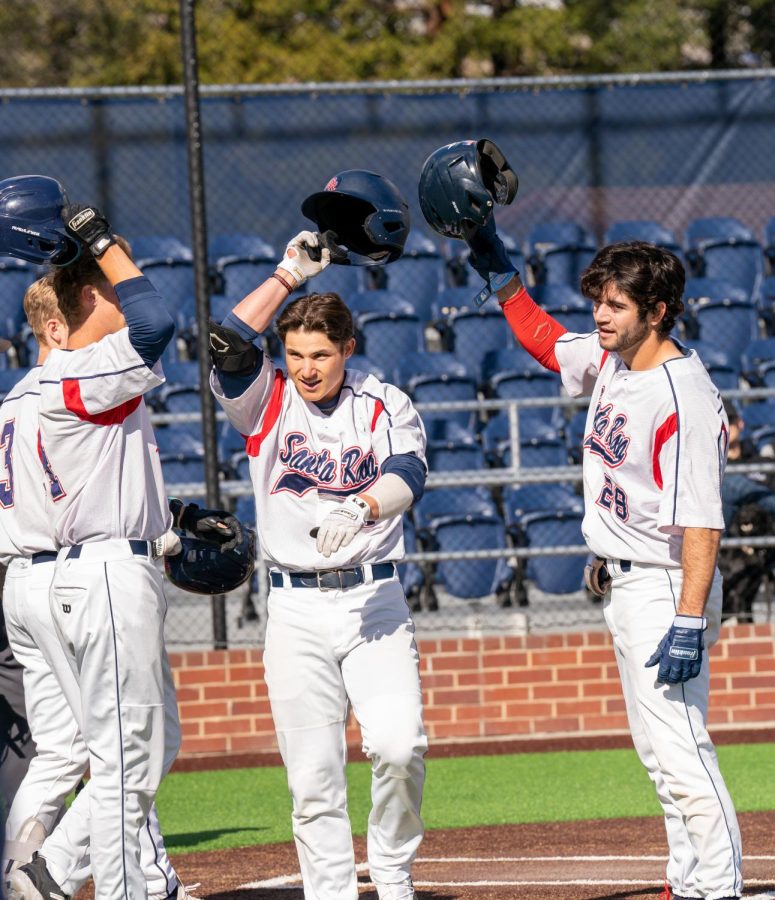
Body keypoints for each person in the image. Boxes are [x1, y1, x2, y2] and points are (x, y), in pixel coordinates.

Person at [463, 223, 742, 899]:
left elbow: (702, 525)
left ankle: (720, 887)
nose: (599, 315)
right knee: (657, 756)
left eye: (615, 305)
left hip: (669, 587)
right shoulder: (616, 357)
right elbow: (544, 342)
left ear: (657, 311)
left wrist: (685, 620)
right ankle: (689, 882)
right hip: (630, 579)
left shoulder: (681, 394)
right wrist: (501, 275)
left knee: (680, 751)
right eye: (597, 301)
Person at [208, 230, 428, 900]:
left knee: (399, 747)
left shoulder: (381, 400)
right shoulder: (265, 398)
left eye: (321, 354)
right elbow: (225, 342)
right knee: (312, 779)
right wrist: (284, 275)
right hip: (295, 608)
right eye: (296, 353)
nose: (307, 367)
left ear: (347, 350)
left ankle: (391, 871)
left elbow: (409, 472)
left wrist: (361, 509)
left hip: (373, 603)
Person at [1, 276, 202, 900]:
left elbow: (79, 485)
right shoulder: (71, 380)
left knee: (66, 752)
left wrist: (165, 525)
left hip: (32, 577)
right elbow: (154, 328)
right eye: (93, 305)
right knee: (126, 757)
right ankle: (68, 875)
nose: (105, 315)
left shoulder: (14, 400)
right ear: (54, 328)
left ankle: (25, 880)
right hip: (92, 573)